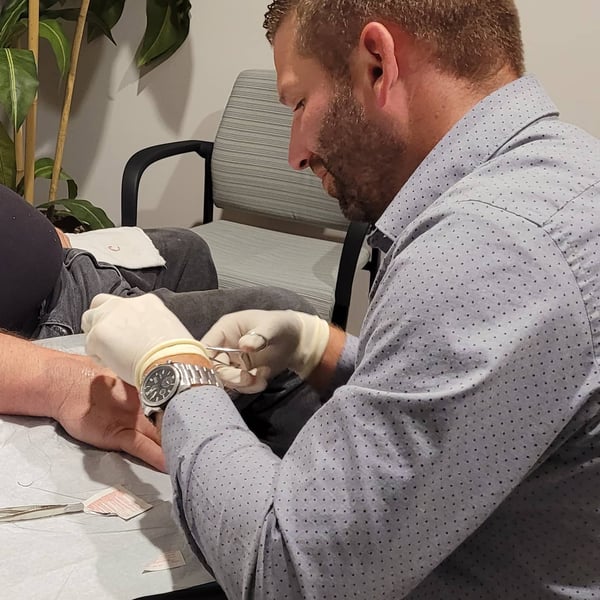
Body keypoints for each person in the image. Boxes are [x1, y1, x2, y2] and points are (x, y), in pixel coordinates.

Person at [81, 0, 600, 598]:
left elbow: (290, 572)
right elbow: (489, 410)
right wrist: (320, 347)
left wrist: (170, 369)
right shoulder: (563, 174)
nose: (294, 154)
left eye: (300, 103)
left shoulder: (487, 253)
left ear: (377, 63)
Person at [0, 185, 321, 470]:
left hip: (71, 266)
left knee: (188, 248)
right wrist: (63, 379)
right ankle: (248, 497)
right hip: (47, 327)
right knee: (283, 325)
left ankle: (218, 437)